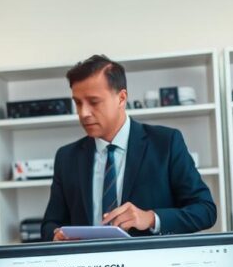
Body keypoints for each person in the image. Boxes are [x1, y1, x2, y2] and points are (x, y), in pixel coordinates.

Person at [42, 55, 217, 241]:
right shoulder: (66, 157)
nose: (83, 113)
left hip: (150, 266)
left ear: (121, 98)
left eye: (93, 102)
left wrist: (150, 218)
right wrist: (56, 235)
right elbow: (49, 224)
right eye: (78, 103)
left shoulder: (166, 143)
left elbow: (205, 210)